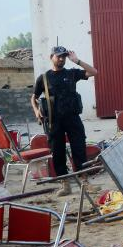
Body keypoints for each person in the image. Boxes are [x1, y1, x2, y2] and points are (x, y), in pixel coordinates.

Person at [31, 46, 98, 196]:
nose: (61, 59)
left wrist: (77, 61)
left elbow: (94, 72)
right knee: (57, 152)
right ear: (51, 57)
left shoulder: (72, 73)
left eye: (64, 56)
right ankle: (65, 184)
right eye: (58, 56)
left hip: (73, 118)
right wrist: (36, 110)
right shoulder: (44, 78)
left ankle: (84, 182)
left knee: (79, 149)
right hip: (54, 121)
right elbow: (33, 97)